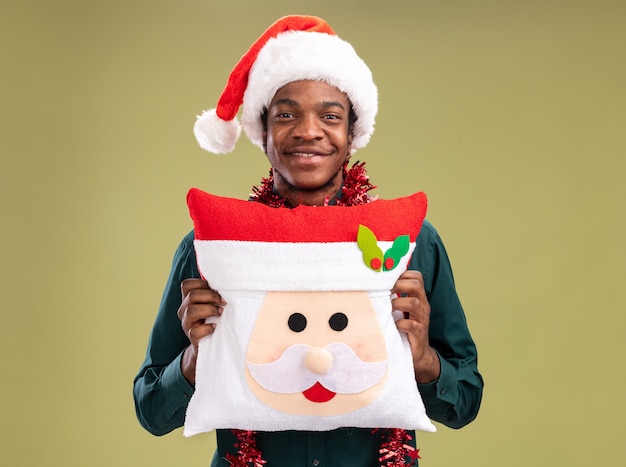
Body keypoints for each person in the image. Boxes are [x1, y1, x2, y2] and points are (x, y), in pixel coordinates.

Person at [134, 15, 483, 466]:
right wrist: (195, 358)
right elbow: (151, 411)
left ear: (352, 132)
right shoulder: (213, 247)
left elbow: (465, 402)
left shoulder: (410, 242)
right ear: (262, 132)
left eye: (330, 116)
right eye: (286, 114)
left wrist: (422, 358)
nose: (307, 131)